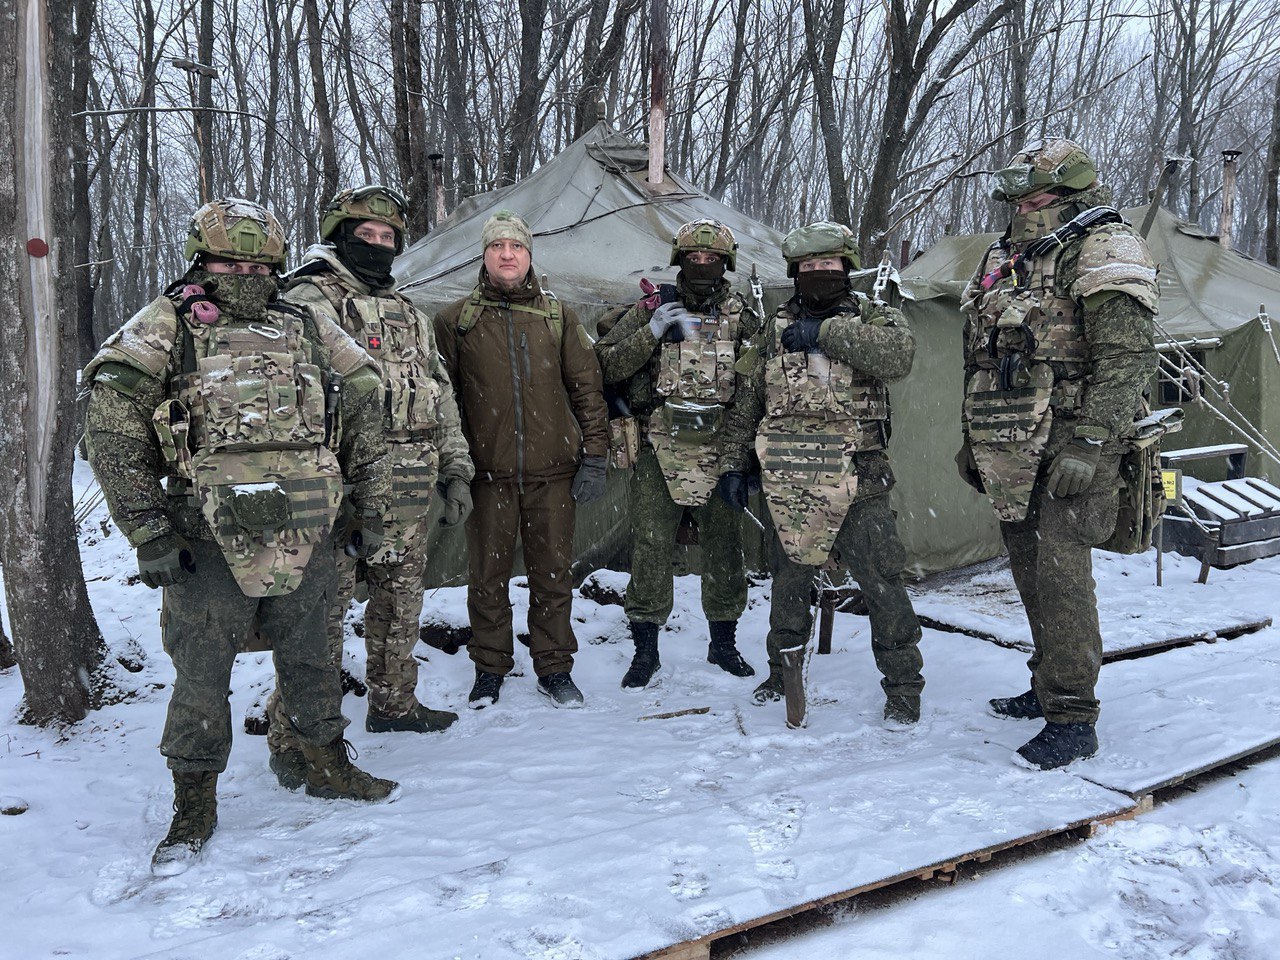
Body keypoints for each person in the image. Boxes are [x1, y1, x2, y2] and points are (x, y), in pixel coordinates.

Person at [84, 198, 400, 876]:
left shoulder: (307, 322)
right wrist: (147, 528)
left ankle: (323, 763)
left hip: (310, 526)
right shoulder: (168, 322)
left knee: (314, 657)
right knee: (202, 674)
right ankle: (193, 799)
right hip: (206, 530)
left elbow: (369, 408)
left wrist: (371, 510)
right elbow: (112, 429)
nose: (247, 274)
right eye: (232, 261)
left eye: (260, 264)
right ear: (203, 261)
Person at [262, 186, 474, 789]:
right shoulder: (308, 300)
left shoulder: (408, 311)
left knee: (400, 602)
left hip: (410, 483)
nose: (377, 245)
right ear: (339, 234)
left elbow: (439, 394)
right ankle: (296, 737)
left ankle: (394, 705)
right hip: (339, 490)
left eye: (388, 237)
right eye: (366, 235)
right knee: (319, 619)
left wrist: (455, 467)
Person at [958, 138, 1158, 769]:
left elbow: (1127, 358)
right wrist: (971, 439)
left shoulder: (1105, 247)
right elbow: (980, 351)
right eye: (1015, 196)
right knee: (1024, 567)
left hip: (1074, 439)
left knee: (1062, 576)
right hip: (1010, 439)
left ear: (1069, 191)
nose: (1020, 206)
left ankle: (1073, 714)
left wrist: (1095, 441)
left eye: (1033, 195)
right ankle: (1048, 680)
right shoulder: (1005, 255)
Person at [717, 221, 925, 726]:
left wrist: (826, 333)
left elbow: (898, 358)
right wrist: (733, 463)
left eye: (829, 266)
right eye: (808, 268)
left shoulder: (876, 318)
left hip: (860, 477)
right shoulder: (773, 330)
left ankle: (903, 686)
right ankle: (781, 672)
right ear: (794, 273)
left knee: (882, 582)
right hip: (788, 480)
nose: (818, 275)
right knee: (788, 585)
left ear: (846, 270)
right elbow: (748, 400)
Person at [433, 211, 609, 708]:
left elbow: (587, 390)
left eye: (516, 246)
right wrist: (453, 470)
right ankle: (489, 667)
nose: (507, 254)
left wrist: (595, 455)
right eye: (497, 246)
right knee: (486, 579)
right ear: (484, 257)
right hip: (487, 477)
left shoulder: (558, 317)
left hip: (554, 476)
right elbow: (442, 401)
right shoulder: (456, 320)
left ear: (530, 256)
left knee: (553, 576)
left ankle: (554, 667)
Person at [594, 219, 757, 688]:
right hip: (657, 445)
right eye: (693, 258)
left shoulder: (742, 315)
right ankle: (646, 651)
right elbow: (603, 363)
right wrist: (651, 330)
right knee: (649, 545)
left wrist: (745, 457)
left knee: (726, 547)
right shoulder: (653, 306)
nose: (702, 265)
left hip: (720, 447)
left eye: (711, 259)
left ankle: (723, 643)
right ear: (679, 260)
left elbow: (758, 381)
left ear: (724, 264)